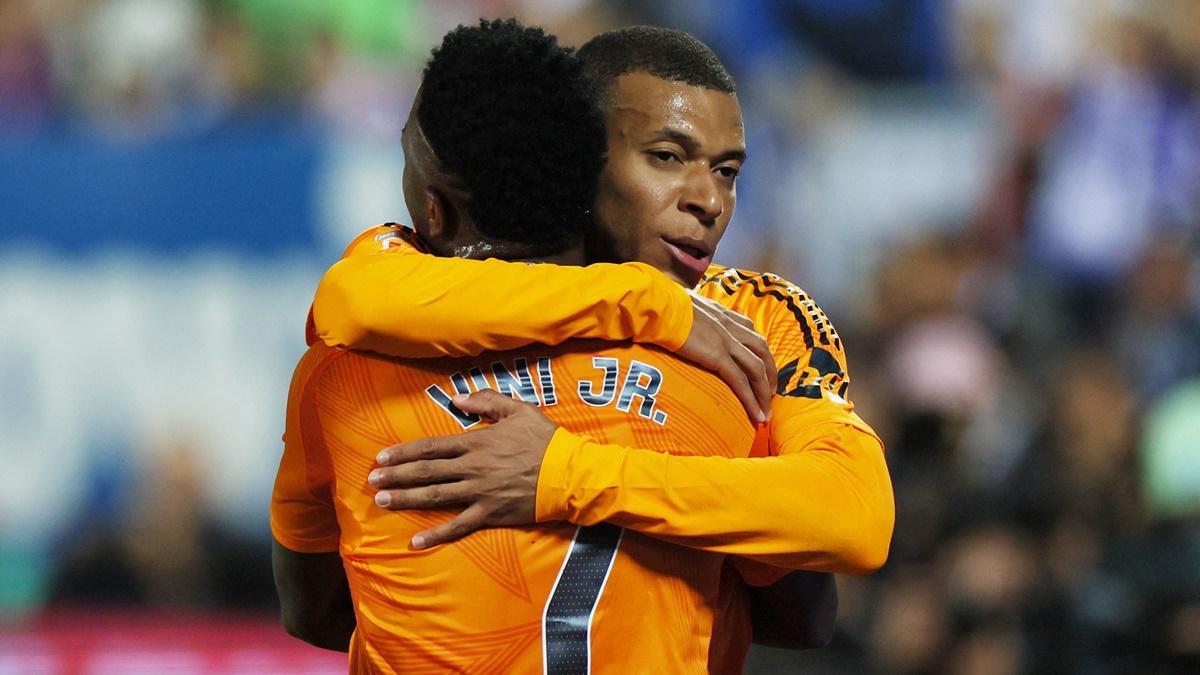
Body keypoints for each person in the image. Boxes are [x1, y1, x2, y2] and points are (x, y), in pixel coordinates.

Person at [312, 25, 894, 666]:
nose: (710, 201)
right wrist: (648, 301)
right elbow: (352, 298)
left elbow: (852, 523)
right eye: (667, 157)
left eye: (726, 171)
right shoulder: (433, 277)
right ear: (582, 156)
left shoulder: (758, 316)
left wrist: (568, 473)